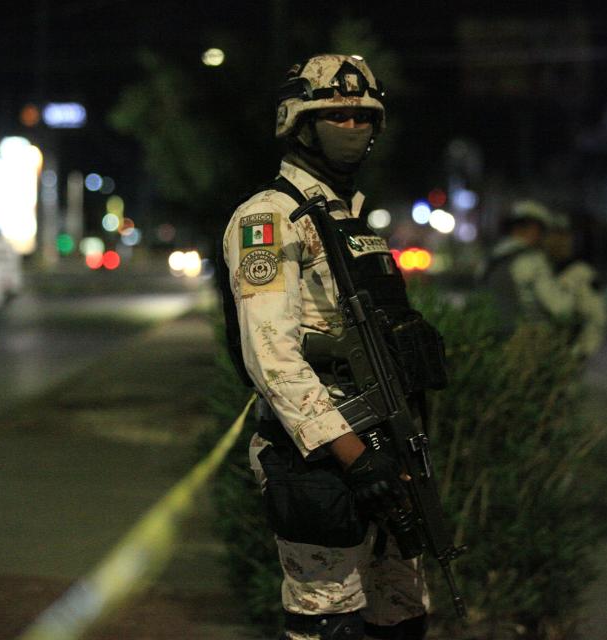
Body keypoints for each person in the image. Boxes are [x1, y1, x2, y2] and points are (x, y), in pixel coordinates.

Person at [220, 54, 436, 639]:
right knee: (329, 620)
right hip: (321, 458)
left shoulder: (351, 219)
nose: (354, 127)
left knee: (402, 615)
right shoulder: (268, 218)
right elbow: (272, 357)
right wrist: (355, 456)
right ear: (300, 123)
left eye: (364, 116)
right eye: (336, 115)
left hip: (389, 453)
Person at [480, 199, 576, 336]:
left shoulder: (489, 259)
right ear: (534, 228)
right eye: (543, 231)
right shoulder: (533, 261)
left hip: (492, 340)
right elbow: (560, 308)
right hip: (527, 342)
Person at [544, 211, 607, 361]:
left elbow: (596, 318)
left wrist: (581, 353)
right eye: (553, 235)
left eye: (564, 236)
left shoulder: (581, 273)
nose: (559, 241)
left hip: (567, 354)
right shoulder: (539, 270)